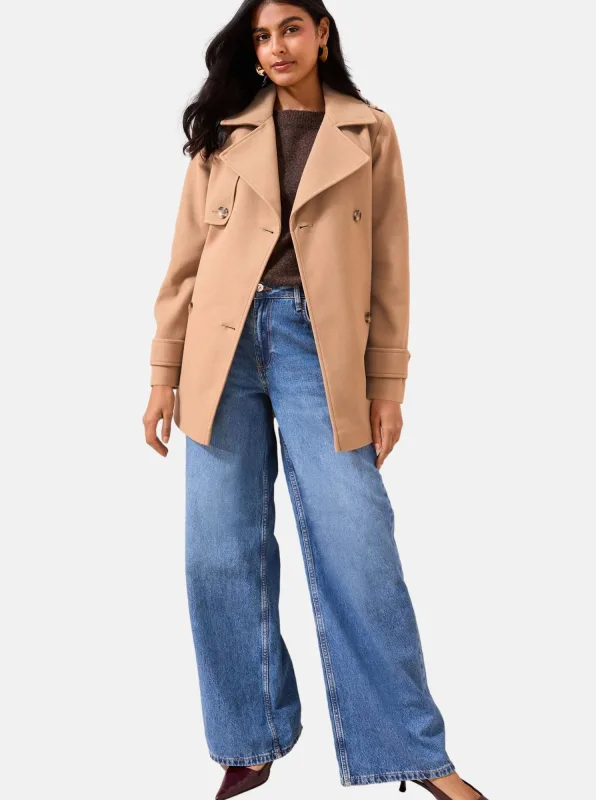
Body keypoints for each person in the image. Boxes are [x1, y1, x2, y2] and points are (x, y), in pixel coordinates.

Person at [143, 2, 489, 799]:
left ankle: (414, 753)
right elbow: (185, 261)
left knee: (356, 544)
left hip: (318, 347)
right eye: (262, 36)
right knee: (217, 552)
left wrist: (387, 384)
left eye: (291, 29)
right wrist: (163, 373)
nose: (277, 47)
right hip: (218, 348)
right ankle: (249, 738)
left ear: (323, 33)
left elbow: (391, 265)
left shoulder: (369, 132)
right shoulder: (224, 133)